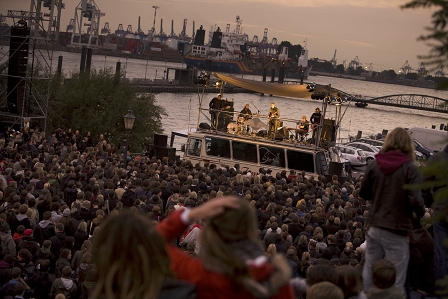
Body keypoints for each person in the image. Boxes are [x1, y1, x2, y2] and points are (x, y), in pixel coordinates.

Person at [90, 196, 294, 299]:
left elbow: (149, 242)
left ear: (209, 234)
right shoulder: (277, 283)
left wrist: (189, 214)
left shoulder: (199, 276)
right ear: (251, 233)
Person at [359, 127, 425, 293]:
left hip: (375, 226)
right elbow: (416, 201)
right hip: (397, 228)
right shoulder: (410, 168)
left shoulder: (374, 164)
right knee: (398, 276)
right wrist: (419, 215)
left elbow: (364, 193)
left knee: (369, 269)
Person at [422, 143, 448, 293]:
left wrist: (433, 204)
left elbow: (424, 188)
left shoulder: (437, 159)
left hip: (442, 215)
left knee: (441, 257)